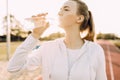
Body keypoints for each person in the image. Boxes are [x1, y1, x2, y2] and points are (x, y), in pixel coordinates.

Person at [7, 0, 107, 80]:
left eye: (66, 9)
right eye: (60, 9)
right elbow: (13, 68)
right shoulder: (48, 47)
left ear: (79, 18)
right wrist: (35, 35)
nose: (59, 13)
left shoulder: (95, 50)